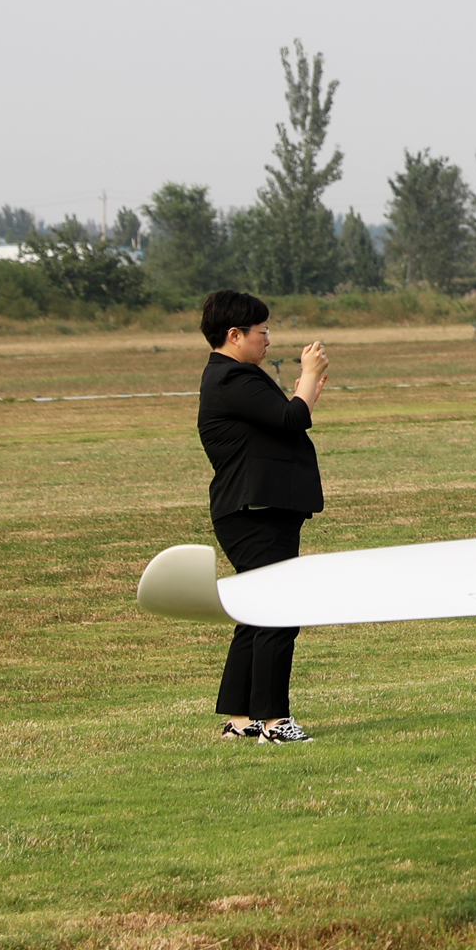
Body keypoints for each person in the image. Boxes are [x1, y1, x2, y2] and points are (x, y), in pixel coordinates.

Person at [196, 289, 328, 742]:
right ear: (234, 335)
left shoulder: (230, 377)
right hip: (255, 513)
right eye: (262, 331)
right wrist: (308, 376)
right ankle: (275, 721)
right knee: (278, 609)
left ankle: (242, 720)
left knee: (256, 611)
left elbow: (284, 422)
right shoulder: (233, 378)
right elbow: (292, 419)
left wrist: (306, 393)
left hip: (250, 512)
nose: (268, 339)